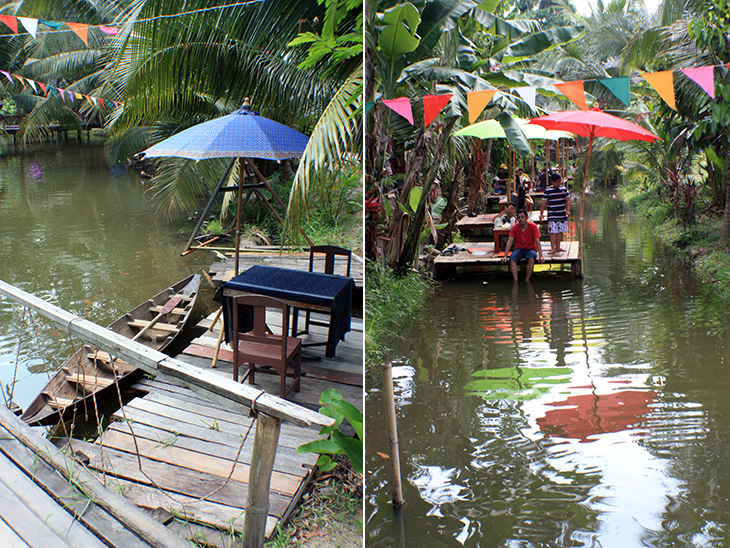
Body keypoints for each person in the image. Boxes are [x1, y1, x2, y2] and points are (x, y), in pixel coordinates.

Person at [501, 209, 544, 282]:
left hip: (530, 249)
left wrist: (541, 255)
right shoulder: (515, 227)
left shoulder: (533, 226)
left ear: (527, 218)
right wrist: (505, 256)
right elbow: (510, 241)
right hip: (519, 249)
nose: (521, 219)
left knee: (531, 259)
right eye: (519, 217)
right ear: (517, 219)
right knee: (512, 259)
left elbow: (537, 241)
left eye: (522, 217)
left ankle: (527, 279)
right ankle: (515, 280)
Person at [540, 171, 571, 255]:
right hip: (552, 214)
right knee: (553, 231)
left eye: (559, 182)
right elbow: (544, 202)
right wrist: (541, 213)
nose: (558, 184)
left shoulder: (564, 189)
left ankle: (558, 246)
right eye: (556, 182)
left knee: (560, 231)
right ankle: (553, 247)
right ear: (552, 182)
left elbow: (567, 200)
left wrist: (568, 210)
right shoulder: (548, 190)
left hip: (561, 213)